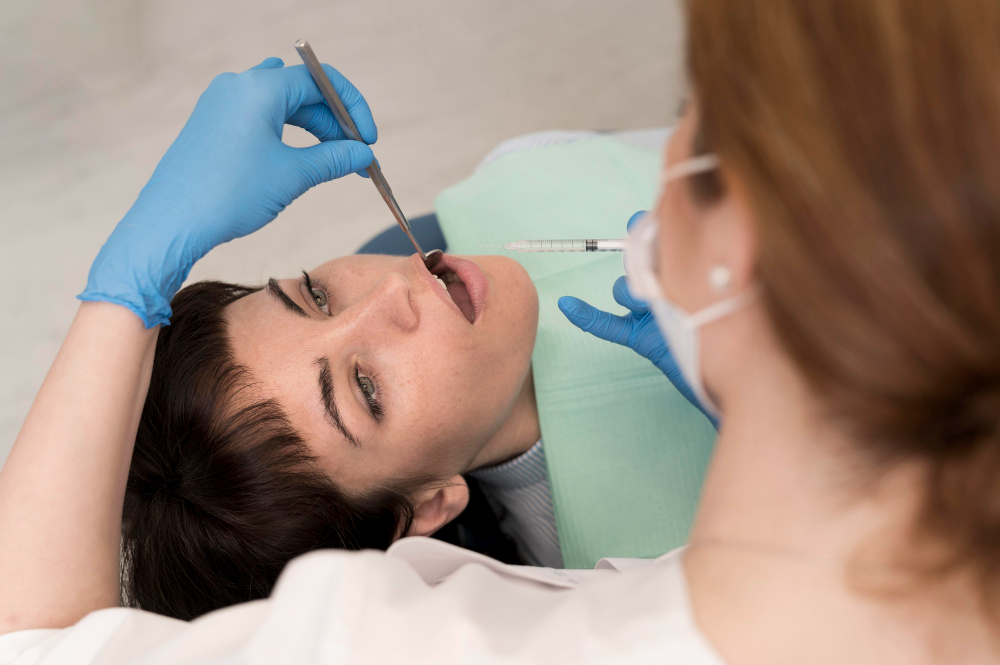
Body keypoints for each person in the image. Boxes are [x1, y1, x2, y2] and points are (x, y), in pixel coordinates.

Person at [3, 1, 1000, 662]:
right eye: (366, 388)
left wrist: (132, 285)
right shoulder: (624, 557)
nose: (387, 298)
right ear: (430, 507)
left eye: (311, 290)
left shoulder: (507, 192)